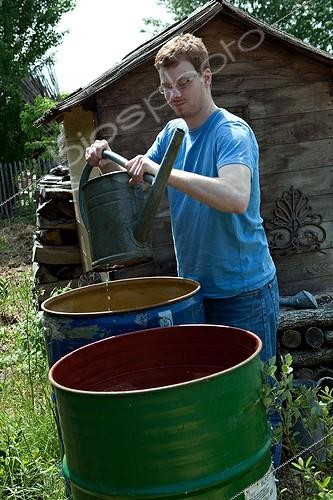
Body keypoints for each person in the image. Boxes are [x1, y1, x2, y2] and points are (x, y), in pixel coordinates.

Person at [86, 33, 279, 365]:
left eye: (183, 82)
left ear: (206, 77)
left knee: (258, 398)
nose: (174, 94)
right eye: (165, 87)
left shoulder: (231, 133)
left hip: (243, 292)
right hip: (195, 291)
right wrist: (107, 162)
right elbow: (138, 188)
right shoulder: (172, 133)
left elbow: (235, 197)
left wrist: (162, 171)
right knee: (216, 397)